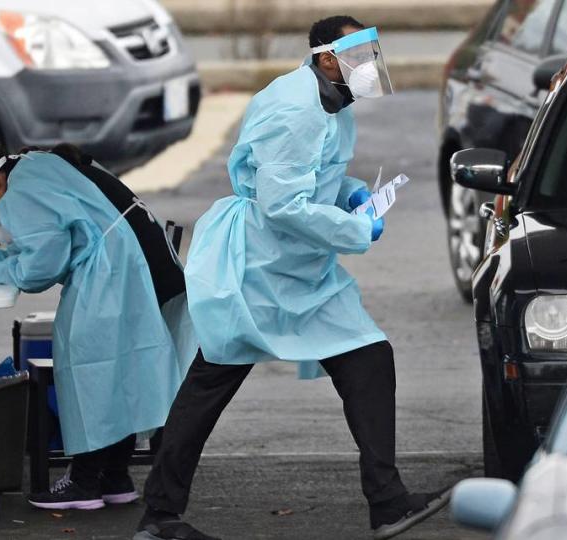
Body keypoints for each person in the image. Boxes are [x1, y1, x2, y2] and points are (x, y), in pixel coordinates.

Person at [135, 16, 448, 540]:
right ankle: (160, 515)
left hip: (302, 272)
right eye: (360, 55)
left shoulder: (333, 101)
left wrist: (350, 192)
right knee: (208, 385)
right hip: (259, 270)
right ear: (328, 58)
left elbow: (315, 173)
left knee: (369, 357)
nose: (370, 65)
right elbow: (283, 204)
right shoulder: (294, 107)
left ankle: (388, 502)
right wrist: (353, 226)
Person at [0, 135, 196, 510]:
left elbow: (43, 263)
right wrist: (7, 260)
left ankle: (84, 482)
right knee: (123, 371)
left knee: (91, 370)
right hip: (141, 262)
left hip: (117, 271)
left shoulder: (21, 189)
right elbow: (52, 232)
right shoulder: (36, 165)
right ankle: (115, 477)